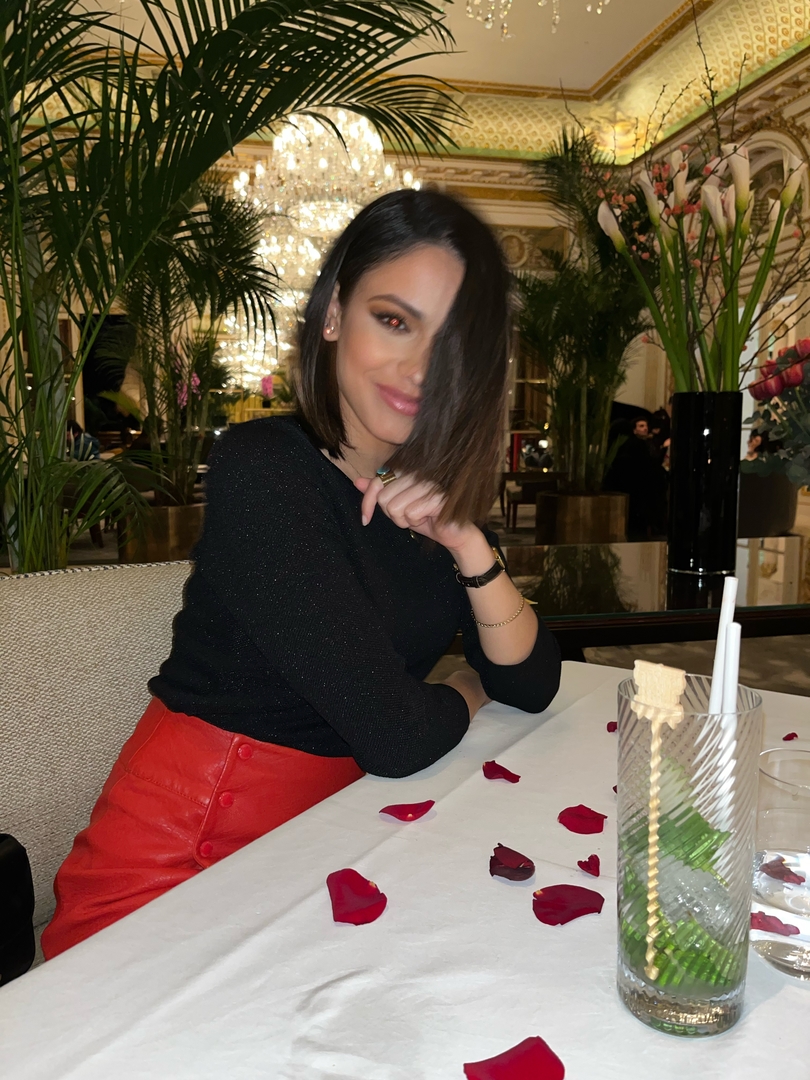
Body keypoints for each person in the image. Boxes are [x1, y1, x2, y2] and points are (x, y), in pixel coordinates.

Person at [42, 190, 562, 958]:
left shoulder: (424, 494)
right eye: (394, 321)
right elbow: (395, 735)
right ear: (333, 315)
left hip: (323, 848)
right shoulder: (266, 469)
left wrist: (468, 545)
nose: (420, 368)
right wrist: (467, 687)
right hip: (183, 865)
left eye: (450, 341)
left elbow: (533, 681)